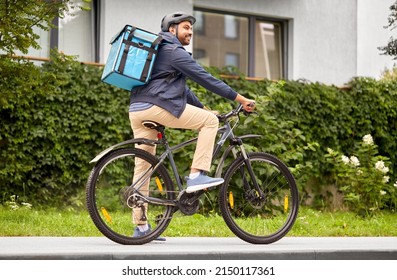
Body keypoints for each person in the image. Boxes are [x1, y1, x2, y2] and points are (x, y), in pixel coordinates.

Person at [129, 11, 255, 238]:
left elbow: (183, 91)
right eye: (186, 27)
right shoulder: (173, 51)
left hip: (137, 108)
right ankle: (197, 175)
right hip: (157, 106)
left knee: (144, 167)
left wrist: (204, 109)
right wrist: (240, 99)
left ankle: (141, 228)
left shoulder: (160, 51)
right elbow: (206, 78)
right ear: (172, 30)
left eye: (191, 29)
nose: (190, 32)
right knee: (210, 123)